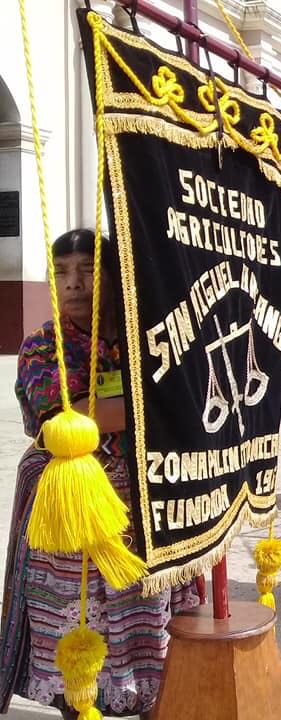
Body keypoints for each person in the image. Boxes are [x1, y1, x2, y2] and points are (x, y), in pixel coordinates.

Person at [0, 230, 199, 719]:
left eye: (87, 269)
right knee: (72, 618)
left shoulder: (142, 338)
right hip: (68, 503)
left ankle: (152, 704)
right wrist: (164, 400)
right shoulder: (42, 346)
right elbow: (72, 421)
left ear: (113, 274)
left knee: (148, 618)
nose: (74, 283)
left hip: (139, 502)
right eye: (62, 272)